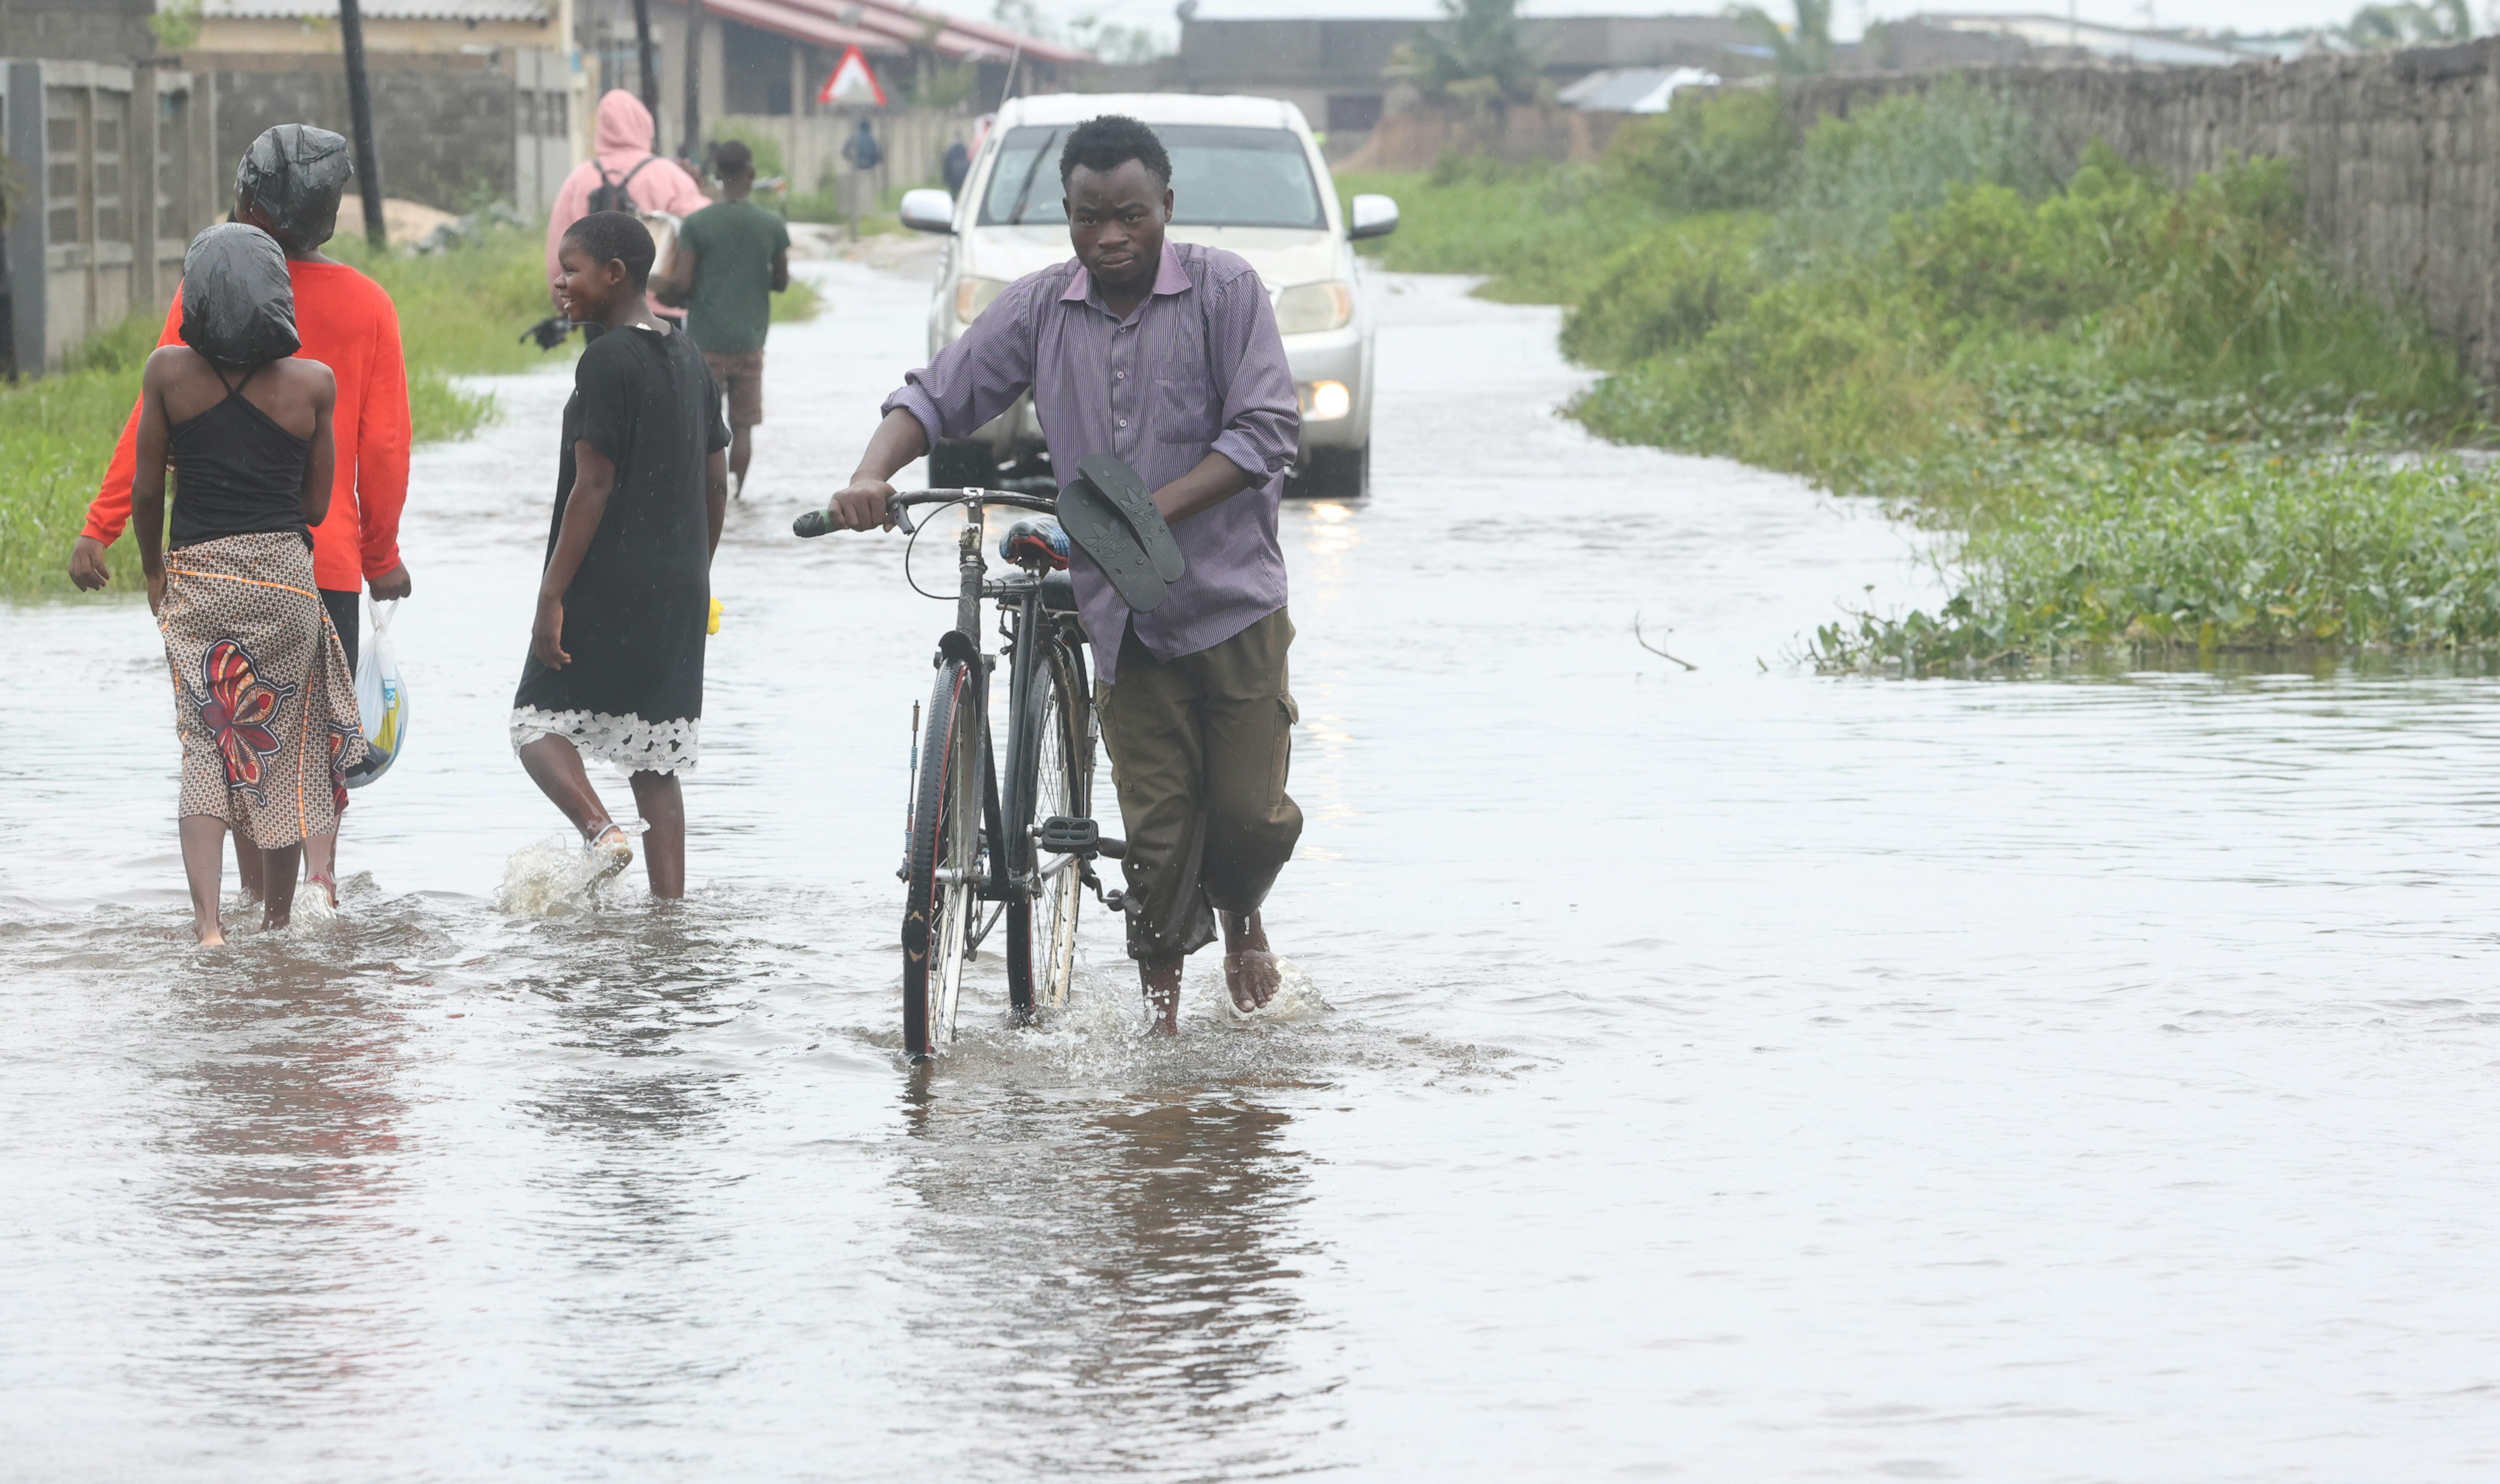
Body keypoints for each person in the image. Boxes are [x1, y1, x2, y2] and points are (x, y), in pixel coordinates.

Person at [827, 115, 1303, 1035]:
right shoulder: (1043, 306)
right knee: (1159, 842)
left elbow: (1264, 434)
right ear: (1069, 216)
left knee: (1247, 817)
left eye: (1130, 215)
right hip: (1127, 615)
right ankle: (1161, 1040)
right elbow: (938, 393)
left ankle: (1244, 911)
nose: (1110, 237)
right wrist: (870, 471)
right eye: (1090, 218)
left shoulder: (1226, 290)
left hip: (1233, 600)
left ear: (1165, 206)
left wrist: (1150, 509)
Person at [70, 124, 409, 918]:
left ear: (247, 204)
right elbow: (385, 445)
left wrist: (104, 524)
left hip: (213, 559)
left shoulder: (208, 294)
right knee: (309, 739)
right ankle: (313, 892)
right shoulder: (368, 304)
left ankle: (254, 911)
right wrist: (380, 554)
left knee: (232, 740)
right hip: (316, 564)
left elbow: (150, 431)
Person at [135, 223, 365, 946]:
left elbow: (146, 492)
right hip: (286, 585)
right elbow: (315, 507)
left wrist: (151, 570)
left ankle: (208, 928)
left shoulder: (168, 371)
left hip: (199, 579)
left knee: (207, 745)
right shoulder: (313, 383)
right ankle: (274, 918)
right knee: (288, 752)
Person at [511, 211, 730, 899]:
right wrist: (698, 572)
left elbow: (594, 484)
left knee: (535, 723)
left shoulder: (605, 359)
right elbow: (716, 478)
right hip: (679, 585)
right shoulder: (690, 354)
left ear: (614, 275)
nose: (560, 281)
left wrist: (552, 595)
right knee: (654, 757)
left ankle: (602, 834)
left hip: (605, 580)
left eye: (572, 269)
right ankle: (670, 916)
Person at [651, 139, 789, 499]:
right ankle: (736, 496)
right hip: (750, 344)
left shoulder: (698, 224)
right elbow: (781, 281)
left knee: (701, 425)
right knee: (742, 428)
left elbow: (681, 284)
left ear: (716, 175)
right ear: (751, 174)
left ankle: (705, 497)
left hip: (706, 346)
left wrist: (659, 291)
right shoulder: (771, 224)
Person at [544, 91, 709, 322]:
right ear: (644, 125)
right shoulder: (671, 176)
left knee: (606, 358)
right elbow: (704, 233)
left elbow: (559, 249)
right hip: (660, 307)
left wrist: (562, 302)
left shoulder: (579, 180)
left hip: (599, 306)